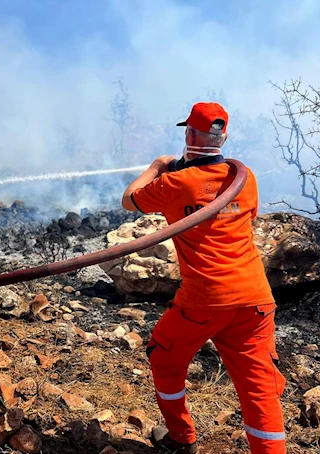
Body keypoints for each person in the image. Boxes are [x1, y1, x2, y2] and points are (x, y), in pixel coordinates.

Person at [121, 102, 286, 454]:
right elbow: (246, 214)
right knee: (259, 390)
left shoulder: (174, 182)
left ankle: (182, 439)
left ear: (189, 133)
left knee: (164, 358)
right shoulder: (244, 179)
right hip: (255, 299)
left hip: (204, 300)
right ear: (223, 137)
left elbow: (129, 201)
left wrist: (157, 166)